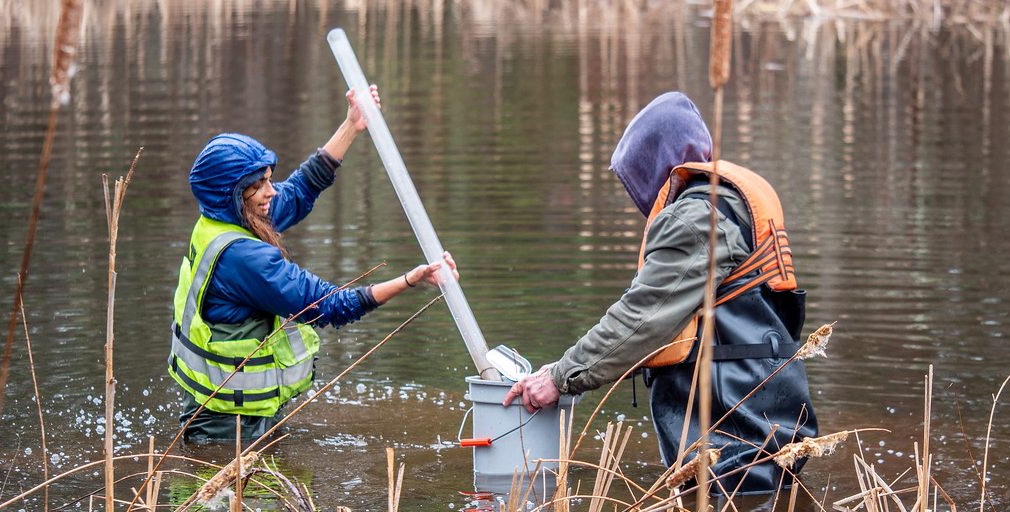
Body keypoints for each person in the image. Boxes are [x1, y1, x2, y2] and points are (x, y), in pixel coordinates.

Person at [503, 92, 817, 494]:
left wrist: (562, 377)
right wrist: (562, 370)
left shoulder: (694, 218)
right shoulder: (727, 203)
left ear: (654, 164)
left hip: (733, 433)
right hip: (769, 412)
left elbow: (642, 318)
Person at [169, 86, 458, 443]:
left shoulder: (218, 223)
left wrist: (352, 125)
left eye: (269, 179)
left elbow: (299, 192)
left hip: (218, 411)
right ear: (232, 194)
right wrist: (409, 281)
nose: (271, 192)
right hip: (230, 430)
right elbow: (329, 306)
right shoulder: (244, 259)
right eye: (259, 185)